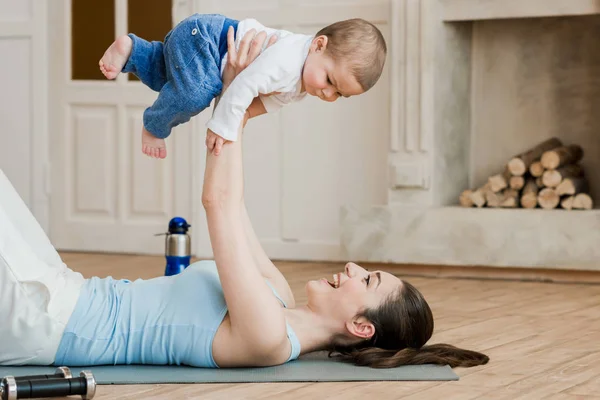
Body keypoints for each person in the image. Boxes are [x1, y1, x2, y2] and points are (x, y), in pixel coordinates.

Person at [0, 32, 488, 370]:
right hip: (62, 289)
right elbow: (234, 204)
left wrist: (233, 95)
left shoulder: (268, 338)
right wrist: (237, 106)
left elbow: (214, 202)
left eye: (368, 280)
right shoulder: (277, 294)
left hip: (47, 320)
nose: (355, 266)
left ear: (361, 327)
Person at [98, 13, 387, 159]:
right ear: (319, 45)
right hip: (205, 39)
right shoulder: (288, 60)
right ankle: (154, 126)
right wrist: (222, 126)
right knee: (196, 93)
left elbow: (270, 102)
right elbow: (246, 83)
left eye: (339, 94)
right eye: (330, 81)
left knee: (169, 79)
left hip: (200, 46)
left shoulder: (301, 79)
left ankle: (132, 51)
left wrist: (244, 116)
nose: (327, 93)